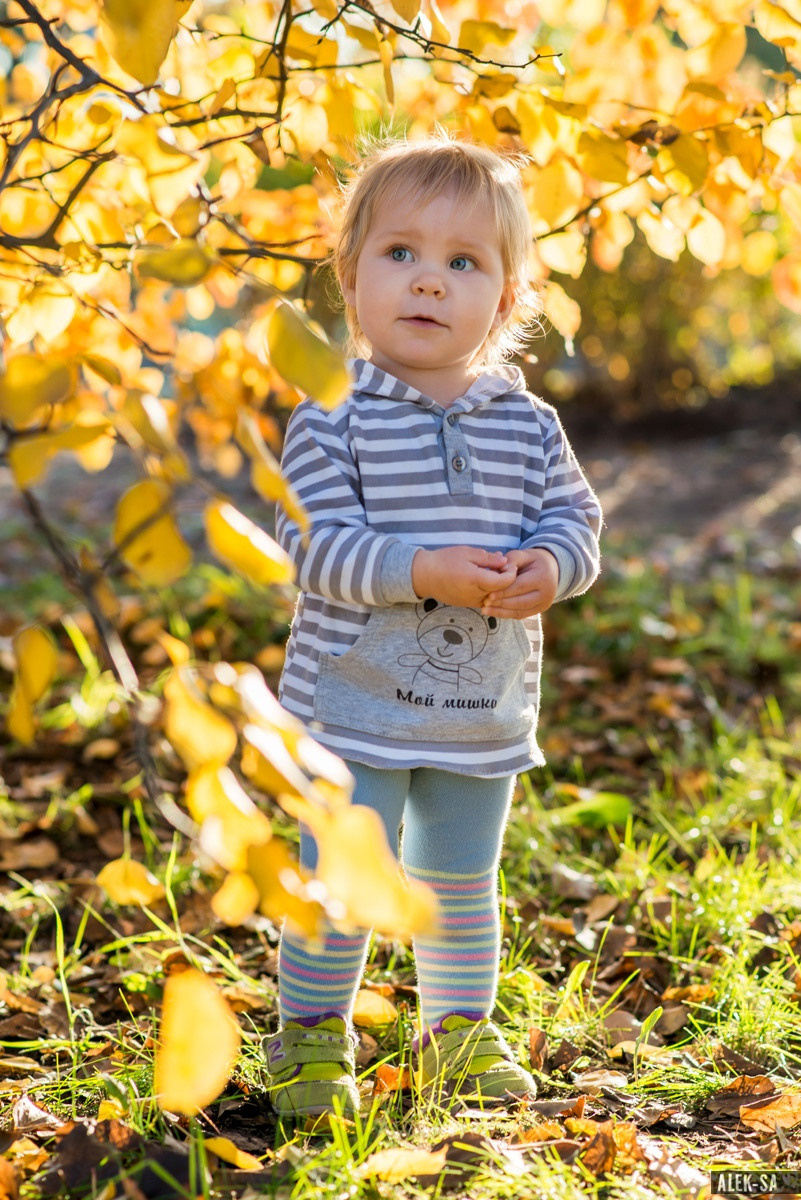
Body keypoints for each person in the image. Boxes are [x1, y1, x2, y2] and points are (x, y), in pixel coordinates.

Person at [264, 135, 602, 1119]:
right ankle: (314, 1042)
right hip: (350, 710)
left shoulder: (529, 424)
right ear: (352, 274)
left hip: (477, 713)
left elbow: (575, 521)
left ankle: (458, 1034)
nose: (429, 281)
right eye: (401, 253)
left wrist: (551, 568)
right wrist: (423, 572)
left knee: (459, 881)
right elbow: (315, 547)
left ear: (503, 299)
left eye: (464, 263)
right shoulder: (332, 417)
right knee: (343, 878)